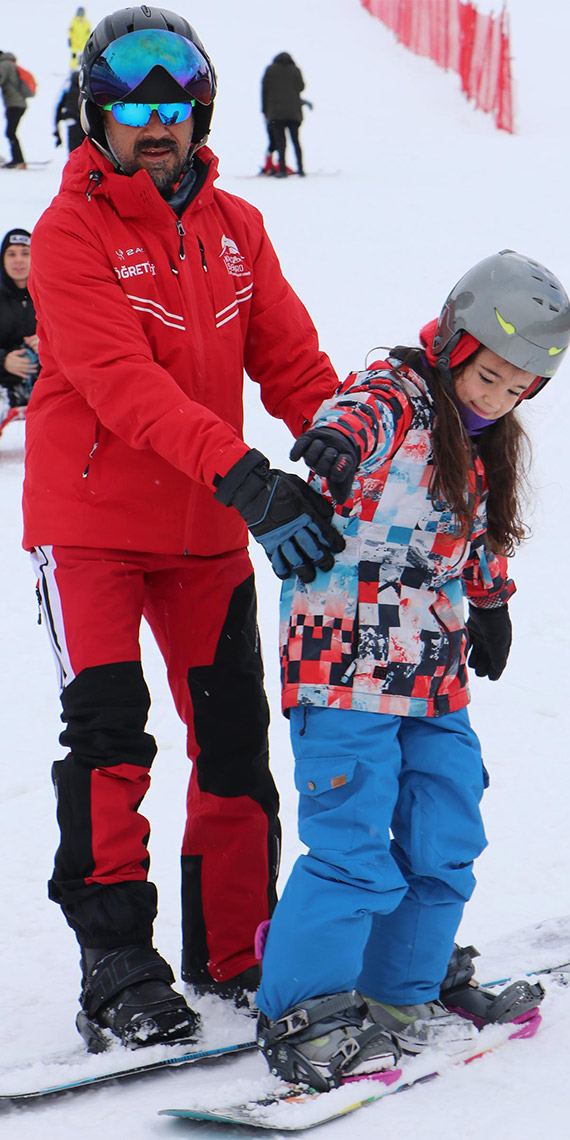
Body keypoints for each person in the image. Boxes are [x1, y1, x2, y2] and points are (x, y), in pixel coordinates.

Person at [23, 5, 344, 1054]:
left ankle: (237, 946)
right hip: (92, 530)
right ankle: (117, 962)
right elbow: (119, 385)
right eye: (131, 110)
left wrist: (355, 453)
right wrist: (249, 477)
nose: (155, 127)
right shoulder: (70, 234)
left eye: (174, 107)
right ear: (94, 118)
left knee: (236, 744)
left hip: (205, 529)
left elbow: (292, 362)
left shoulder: (238, 228)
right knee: (112, 742)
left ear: (200, 112)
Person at [255, 250, 570, 1091]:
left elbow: (470, 534)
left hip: (432, 667)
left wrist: (492, 600)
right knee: (352, 842)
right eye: (490, 376)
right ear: (456, 341)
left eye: (519, 389)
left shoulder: (483, 441)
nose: (498, 399)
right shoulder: (399, 393)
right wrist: (327, 443)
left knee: (446, 829)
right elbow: (357, 413)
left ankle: (399, 992)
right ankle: (304, 1011)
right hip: (344, 659)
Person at [0, 228, 39, 430]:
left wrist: (48, 342)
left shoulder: (51, 293)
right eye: (12, 254)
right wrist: (4, 361)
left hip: (44, 382)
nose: (18, 261)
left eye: (25, 253)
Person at [261, 52, 308, 177]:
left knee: (281, 142)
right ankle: (301, 169)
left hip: (276, 113)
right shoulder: (295, 70)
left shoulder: (270, 70)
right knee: (296, 141)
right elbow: (301, 86)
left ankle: (282, 169)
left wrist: (264, 111)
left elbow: (264, 90)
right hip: (293, 113)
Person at [0, 51, 28, 169]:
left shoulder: (4, 65)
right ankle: (18, 160)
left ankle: (18, 160)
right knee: (11, 132)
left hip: (15, 104)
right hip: (17, 103)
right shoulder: (9, 64)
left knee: (10, 132)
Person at [54, 70, 84, 153]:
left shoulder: (68, 87)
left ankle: (74, 164)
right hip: (85, 122)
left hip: (72, 121)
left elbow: (58, 106)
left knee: (74, 150)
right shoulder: (86, 89)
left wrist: (56, 130)